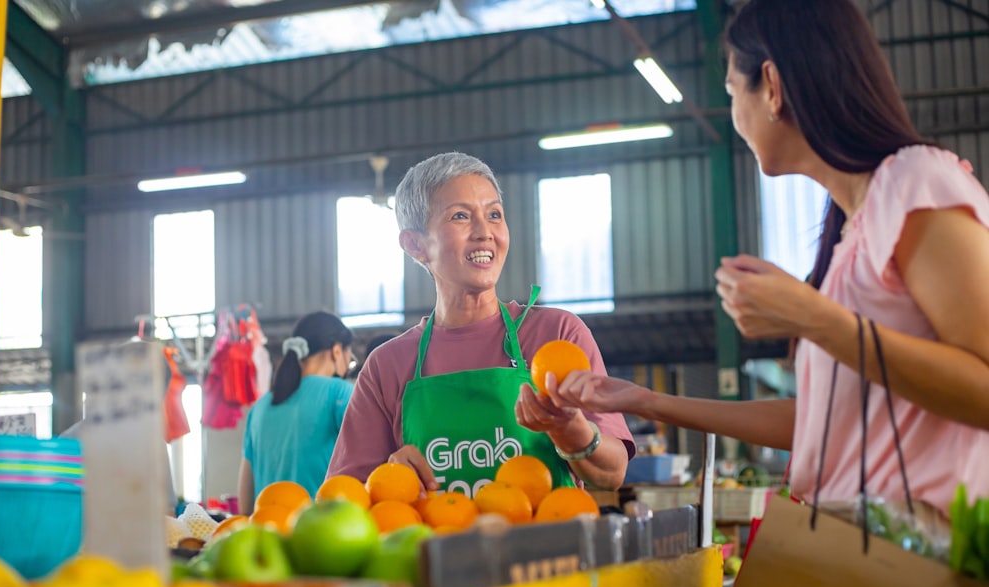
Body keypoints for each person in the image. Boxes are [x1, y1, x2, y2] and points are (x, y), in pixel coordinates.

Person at [543, 0, 989, 518]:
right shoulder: (852, 231)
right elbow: (819, 421)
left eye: (734, 91)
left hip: (926, 552)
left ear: (772, 87)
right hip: (861, 549)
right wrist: (647, 401)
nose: (734, 115)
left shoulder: (916, 182)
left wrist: (814, 318)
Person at [327, 152, 633, 497]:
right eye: (460, 216)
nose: (484, 232)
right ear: (415, 245)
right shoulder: (387, 365)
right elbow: (344, 498)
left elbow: (612, 473)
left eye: (494, 215)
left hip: (550, 550)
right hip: (436, 550)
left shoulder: (557, 337)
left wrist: (572, 429)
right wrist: (386, 478)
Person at [238, 311, 356, 514]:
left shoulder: (260, 406)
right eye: (349, 357)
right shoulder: (340, 392)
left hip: (265, 532)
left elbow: (246, 495)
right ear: (337, 351)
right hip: (318, 532)